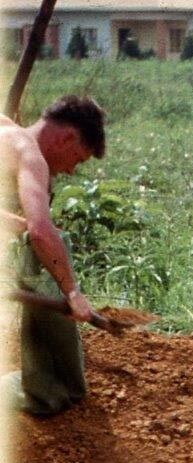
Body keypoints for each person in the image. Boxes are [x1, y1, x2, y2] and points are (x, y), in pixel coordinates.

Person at [2, 95, 106, 415]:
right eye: (78, 158)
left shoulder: (5, 130)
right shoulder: (31, 155)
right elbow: (41, 232)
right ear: (67, 137)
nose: (72, 170)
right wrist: (71, 292)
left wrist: (14, 224)